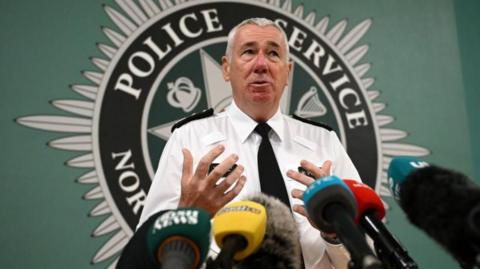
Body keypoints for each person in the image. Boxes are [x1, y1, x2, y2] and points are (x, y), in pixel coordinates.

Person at [138, 17, 361, 269]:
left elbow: (366, 253)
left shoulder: (324, 143)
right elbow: (146, 249)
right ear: (226, 68)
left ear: (287, 72)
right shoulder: (188, 140)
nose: (261, 64)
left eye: (273, 54)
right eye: (249, 52)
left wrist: (333, 232)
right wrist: (188, 214)